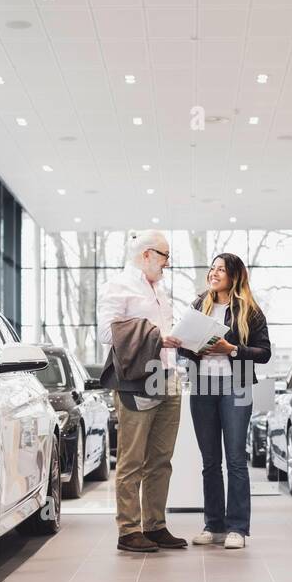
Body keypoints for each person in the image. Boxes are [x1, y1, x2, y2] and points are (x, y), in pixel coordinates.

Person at [96, 230, 187, 554]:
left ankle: (155, 524)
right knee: (132, 459)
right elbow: (107, 332)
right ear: (147, 254)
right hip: (136, 379)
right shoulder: (119, 285)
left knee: (161, 459)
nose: (167, 263)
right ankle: (129, 529)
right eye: (164, 256)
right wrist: (154, 336)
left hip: (167, 376)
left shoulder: (159, 289)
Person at [181, 253, 271, 549]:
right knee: (210, 461)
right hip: (202, 385)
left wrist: (231, 349)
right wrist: (195, 348)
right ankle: (213, 524)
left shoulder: (249, 310)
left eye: (221, 269)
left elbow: (264, 352)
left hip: (237, 384)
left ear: (234, 275)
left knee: (235, 459)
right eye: (212, 268)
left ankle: (237, 528)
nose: (214, 273)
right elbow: (183, 347)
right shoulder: (199, 305)